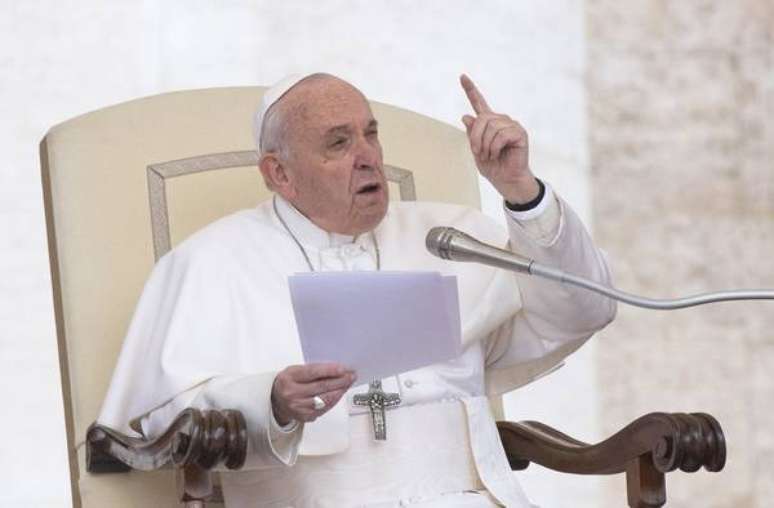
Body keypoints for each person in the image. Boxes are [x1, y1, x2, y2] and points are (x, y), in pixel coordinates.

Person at [98, 72, 616, 507]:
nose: (369, 157)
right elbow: (160, 420)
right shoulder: (210, 261)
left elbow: (584, 309)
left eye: (371, 134)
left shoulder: (449, 236)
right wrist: (269, 401)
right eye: (339, 143)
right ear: (280, 173)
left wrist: (521, 191)